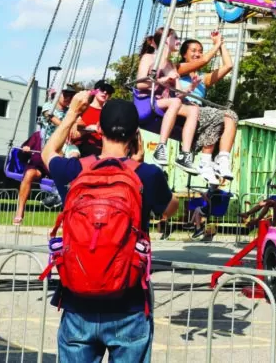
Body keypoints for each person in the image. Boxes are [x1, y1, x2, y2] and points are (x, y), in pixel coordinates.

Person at [42, 92, 178, 362]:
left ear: (100, 130)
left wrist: (72, 113)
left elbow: (48, 153)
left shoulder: (74, 171)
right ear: (136, 135)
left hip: (77, 302)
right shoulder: (147, 175)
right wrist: (138, 163)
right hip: (129, 305)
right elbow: (171, 207)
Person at [135, 28, 202, 176]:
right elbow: (140, 84)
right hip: (146, 103)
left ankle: (185, 154)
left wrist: (191, 87)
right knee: (174, 103)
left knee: (193, 110)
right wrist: (164, 80)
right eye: (175, 38)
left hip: (165, 103)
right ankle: (161, 147)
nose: (178, 41)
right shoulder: (149, 58)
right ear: (166, 39)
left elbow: (179, 96)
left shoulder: (171, 65)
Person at [176, 35, 238, 184]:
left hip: (201, 113)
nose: (198, 53)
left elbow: (228, 66)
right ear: (184, 54)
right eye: (193, 50)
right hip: (184, 107)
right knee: (215, 114)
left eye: (200, 51)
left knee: (231, 116)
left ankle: (222, 159)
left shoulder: (202, 78)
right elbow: (203, 61)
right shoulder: (177, 69)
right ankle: (205, 161)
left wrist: (220, 43)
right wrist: (215, 47)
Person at [12, 129, 45, 226]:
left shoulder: (60, 134)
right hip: (37, 167)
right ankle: (20, 209)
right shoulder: (37, 136)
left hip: (51, 167)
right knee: (29, 173)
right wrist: (25, 151)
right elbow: (22, 157)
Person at [74, 80, 114, 159]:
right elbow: (74, 125)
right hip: (80, 148)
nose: (105, 92)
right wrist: (89, 128)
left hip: (101, 151)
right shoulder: (82, 107)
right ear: (95, 91)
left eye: (109, 91)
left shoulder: (110, 112)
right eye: (102, 89)